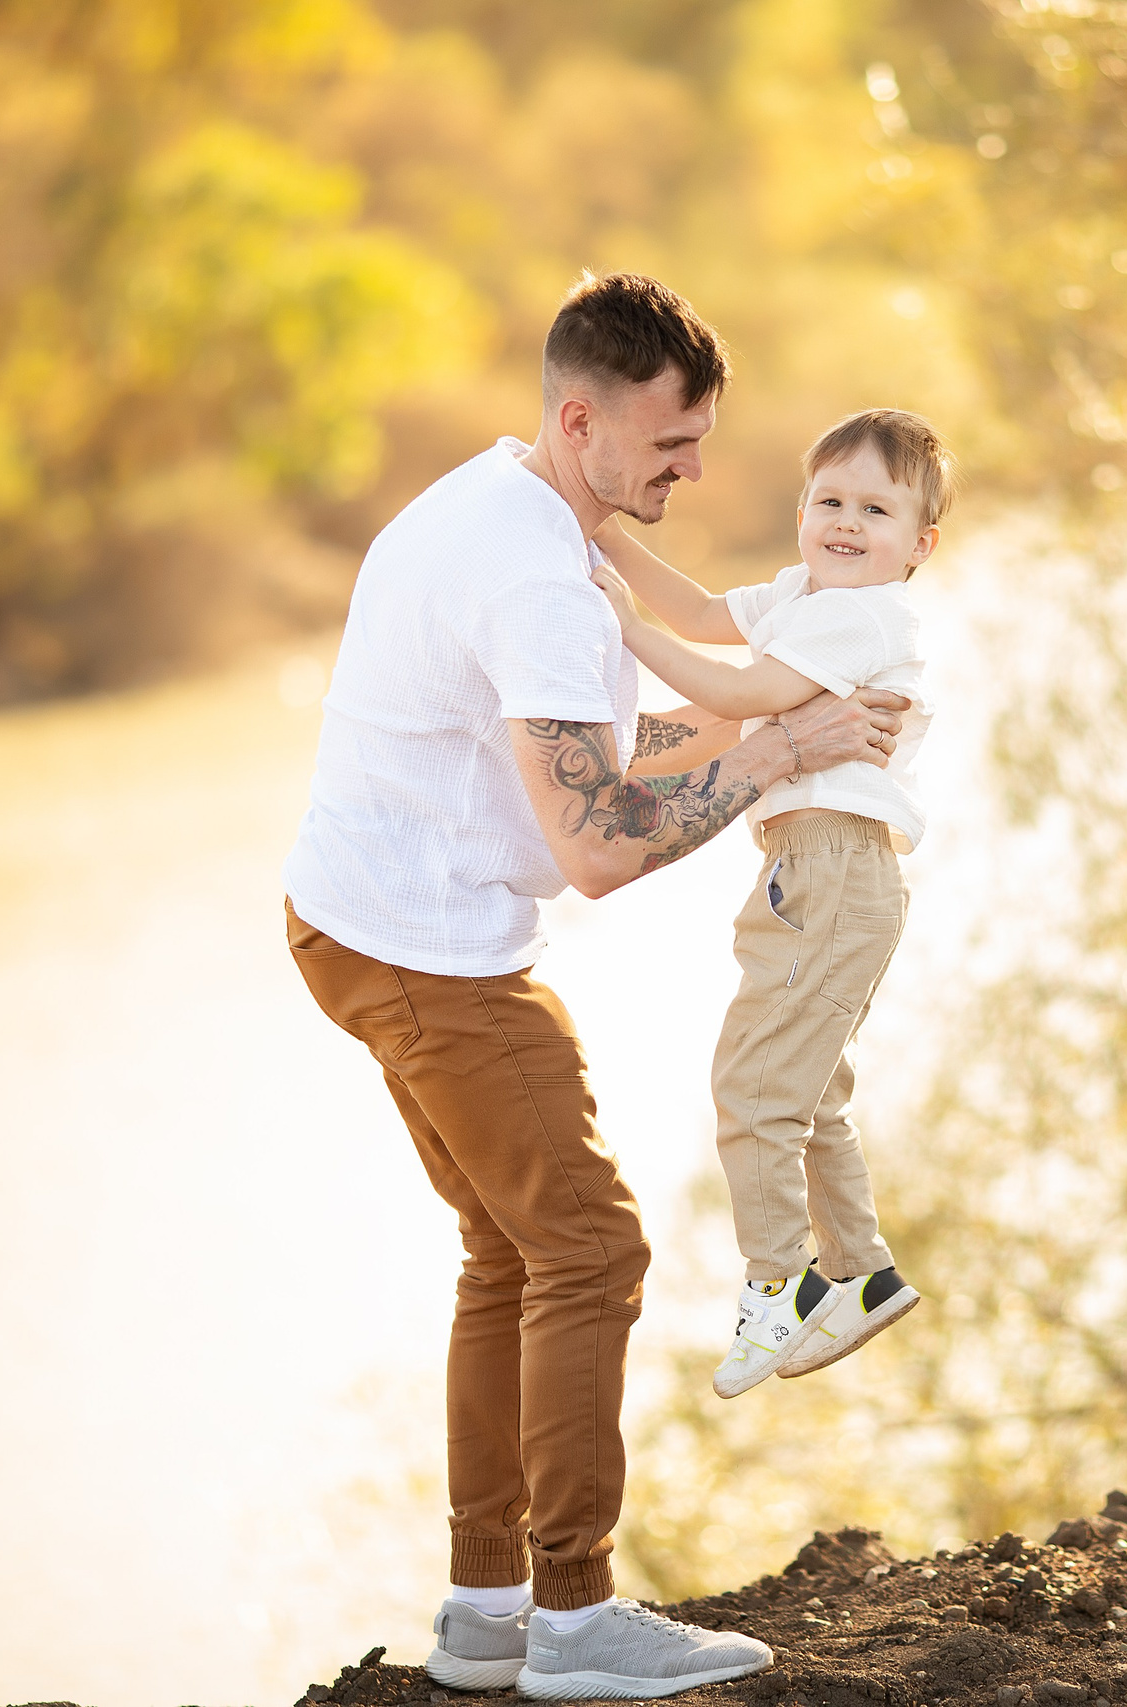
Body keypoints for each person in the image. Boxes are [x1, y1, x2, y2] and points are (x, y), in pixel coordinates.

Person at [281, 273, 906, 1701]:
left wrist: (791, 719)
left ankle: (487, 1610)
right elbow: (599, 843)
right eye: (671, 445)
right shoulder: (542, 580)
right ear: (582, 417)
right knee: (591, 1251)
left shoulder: (503, 498)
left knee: (509, 1255)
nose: (693, 469)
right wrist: (774, 758)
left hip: (357, 924)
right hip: (430, 958)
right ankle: (572, 1615)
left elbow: (606, 751)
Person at [589, 408, 951, 1398]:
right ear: (800, 511)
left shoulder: (861, 615)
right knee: (805, 1087)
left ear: (918, 545)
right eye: (828, 500)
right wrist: (601, 531)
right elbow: (707, 615)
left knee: (753, 1093)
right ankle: (859, 1272)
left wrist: (623, 626)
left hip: (830, 872)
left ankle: (777, 1282)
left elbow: (738, 692)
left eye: (874, 509)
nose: (844, 522)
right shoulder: (806, 594)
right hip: (819, 874)